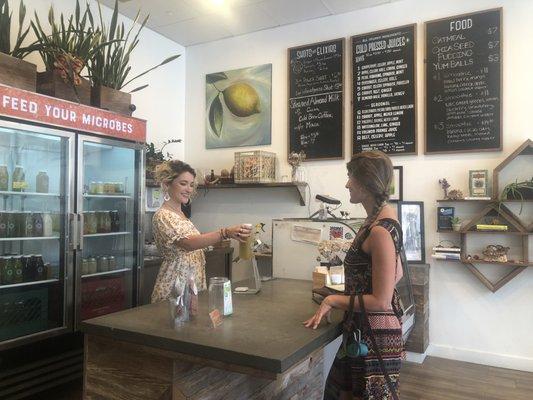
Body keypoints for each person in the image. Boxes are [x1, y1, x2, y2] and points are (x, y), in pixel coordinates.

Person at [304, 151, 404, 400]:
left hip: (373, 338)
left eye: (351, 177)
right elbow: (397, 272)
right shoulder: (383, 217)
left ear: (366, 183)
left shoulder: (379, 230)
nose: (347, 183)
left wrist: (333, 300)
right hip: (364, 331)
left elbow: (381, 301)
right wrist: (356, 291)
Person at [151, 160, 252, 303]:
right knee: (174, 322)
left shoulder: (181, 215)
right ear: (167, 184)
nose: (189, 189)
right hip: (175, 286)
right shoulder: (163, 215)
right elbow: (188, 244)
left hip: (192, 285)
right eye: (183, 183)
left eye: (191, 185)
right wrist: (225, 233)